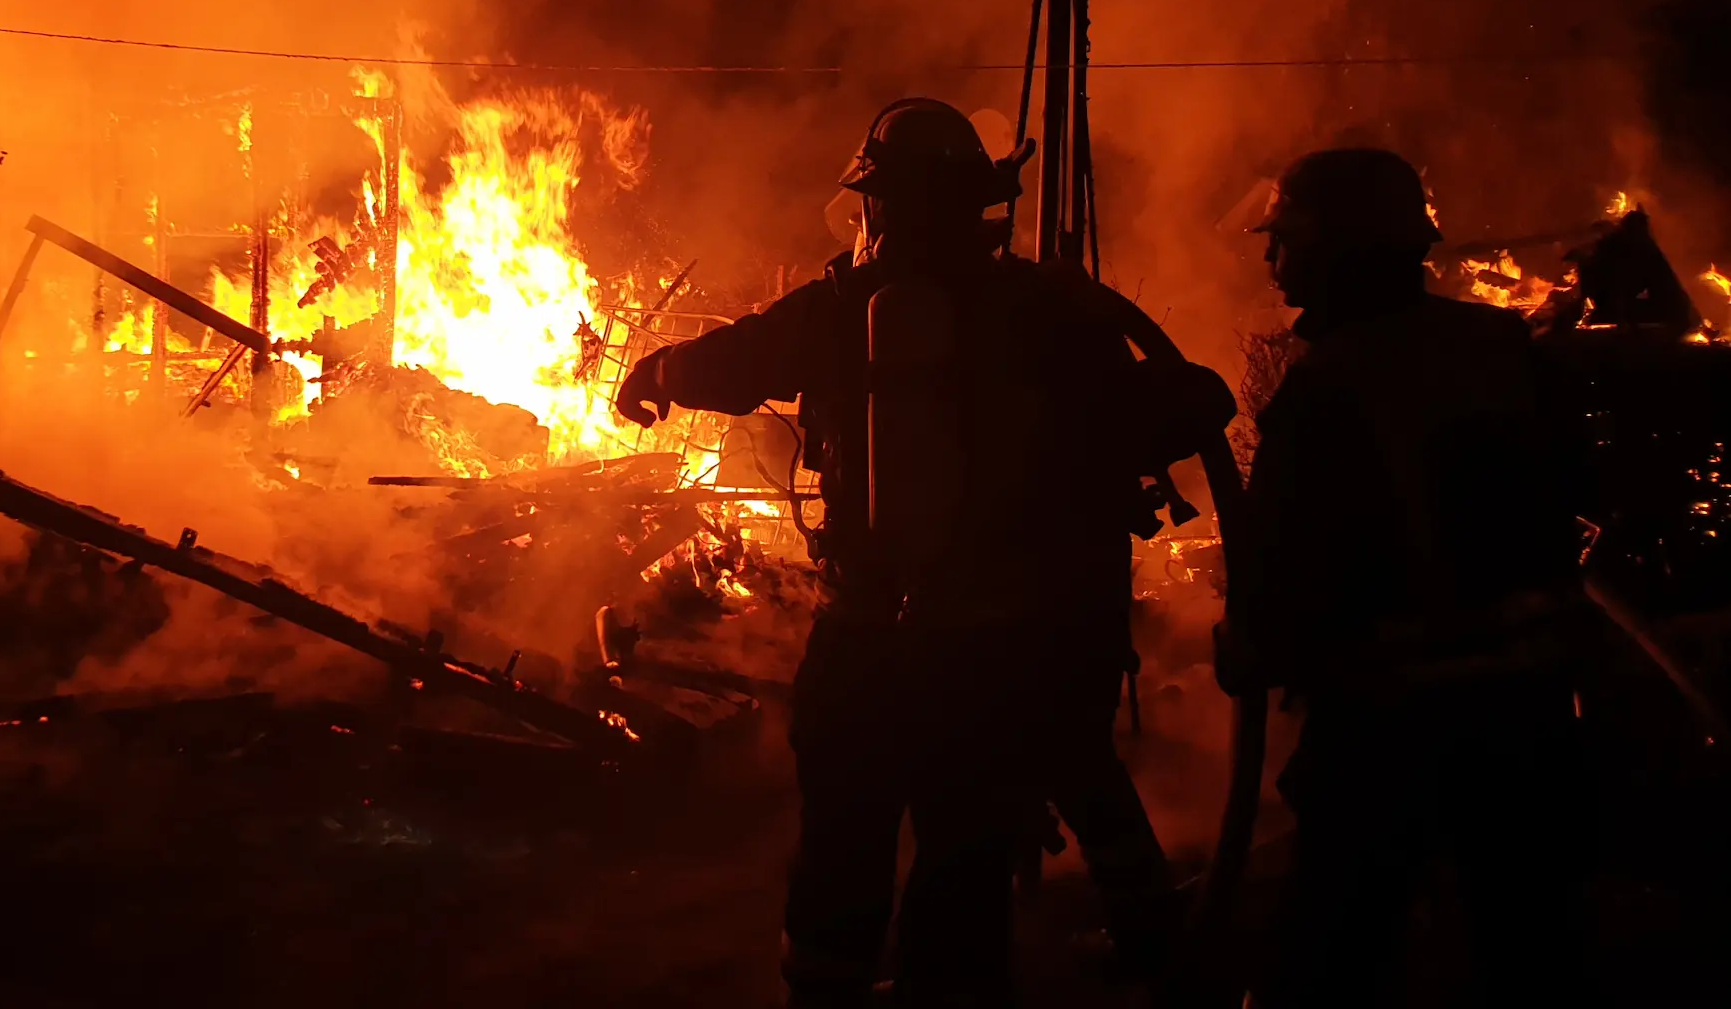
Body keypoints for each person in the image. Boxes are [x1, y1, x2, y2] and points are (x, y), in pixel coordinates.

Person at [615, 98, 1221, 1006]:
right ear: (975, 201)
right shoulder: (1049, 310)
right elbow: (1179, 407)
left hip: (864, 642)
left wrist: (654, 371)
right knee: (965, 859)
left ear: (878, 203)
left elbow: (728, 362)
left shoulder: (837, 308)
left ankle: (825, 991)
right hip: (999, 650)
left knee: (841, 851)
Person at [1218, 147, 1592, 1005]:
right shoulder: (1502, 347)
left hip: (1386, 725)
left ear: (1339, 247)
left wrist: (1248, 646)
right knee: (1534, 951)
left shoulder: (1326, 389)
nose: (1271, 259)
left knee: (1332, 955)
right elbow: (1576, 487)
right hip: (1532, 716)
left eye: (1285, 240)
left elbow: (1285, 564)